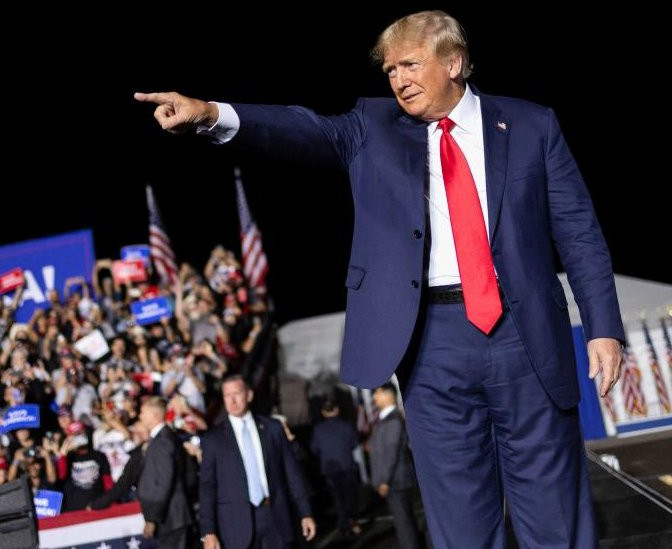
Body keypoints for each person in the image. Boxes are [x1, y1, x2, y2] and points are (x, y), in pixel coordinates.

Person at [136, 10, 623, 548]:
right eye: (390, 69)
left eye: (410, 64)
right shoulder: (372, 128)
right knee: (459, 519)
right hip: (430, 344)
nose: (398, 79)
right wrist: (209, 113)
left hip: (524, 334)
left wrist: (603, 327)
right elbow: (300, 127)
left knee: (554, 510)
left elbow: (579, 233)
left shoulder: (532, 125)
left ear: (455, 62)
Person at [198, 375, 315, 549]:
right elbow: (208, 486)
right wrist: (208, 531)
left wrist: (305, 512)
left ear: (249, 395)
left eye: (236, 393)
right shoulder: (213, 440)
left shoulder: (273, 428)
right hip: (235, 526)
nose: (232, 400)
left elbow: (292, 473)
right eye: (227, 395)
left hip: (275, 518)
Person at [136, 396, 193, 548]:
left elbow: (163, 482)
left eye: (143, 412)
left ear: (154, 415)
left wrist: (152, 518)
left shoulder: (163, 441)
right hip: (171, 518)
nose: (139, 416)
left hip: (170, 518)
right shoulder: (164, 438)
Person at [369, 383, 420, 549]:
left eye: (377, 393)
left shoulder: (392, 421)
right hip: (396, 480)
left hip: (395, 481)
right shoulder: (387, 420)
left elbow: (390, 454)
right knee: (405, 522)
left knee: (404, 525)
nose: (374, 397)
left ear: (387, 395)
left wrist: (384, 481)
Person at [309, 399, 361, 540]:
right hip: (346, 466)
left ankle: (344, 525)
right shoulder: (347, 426)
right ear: (337, 410)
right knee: (350, 495)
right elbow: (355, 444)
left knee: (338, 498)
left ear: (323, 412)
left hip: (330, 468)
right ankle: (351, 521)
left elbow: (314, 449)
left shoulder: (318, 429)